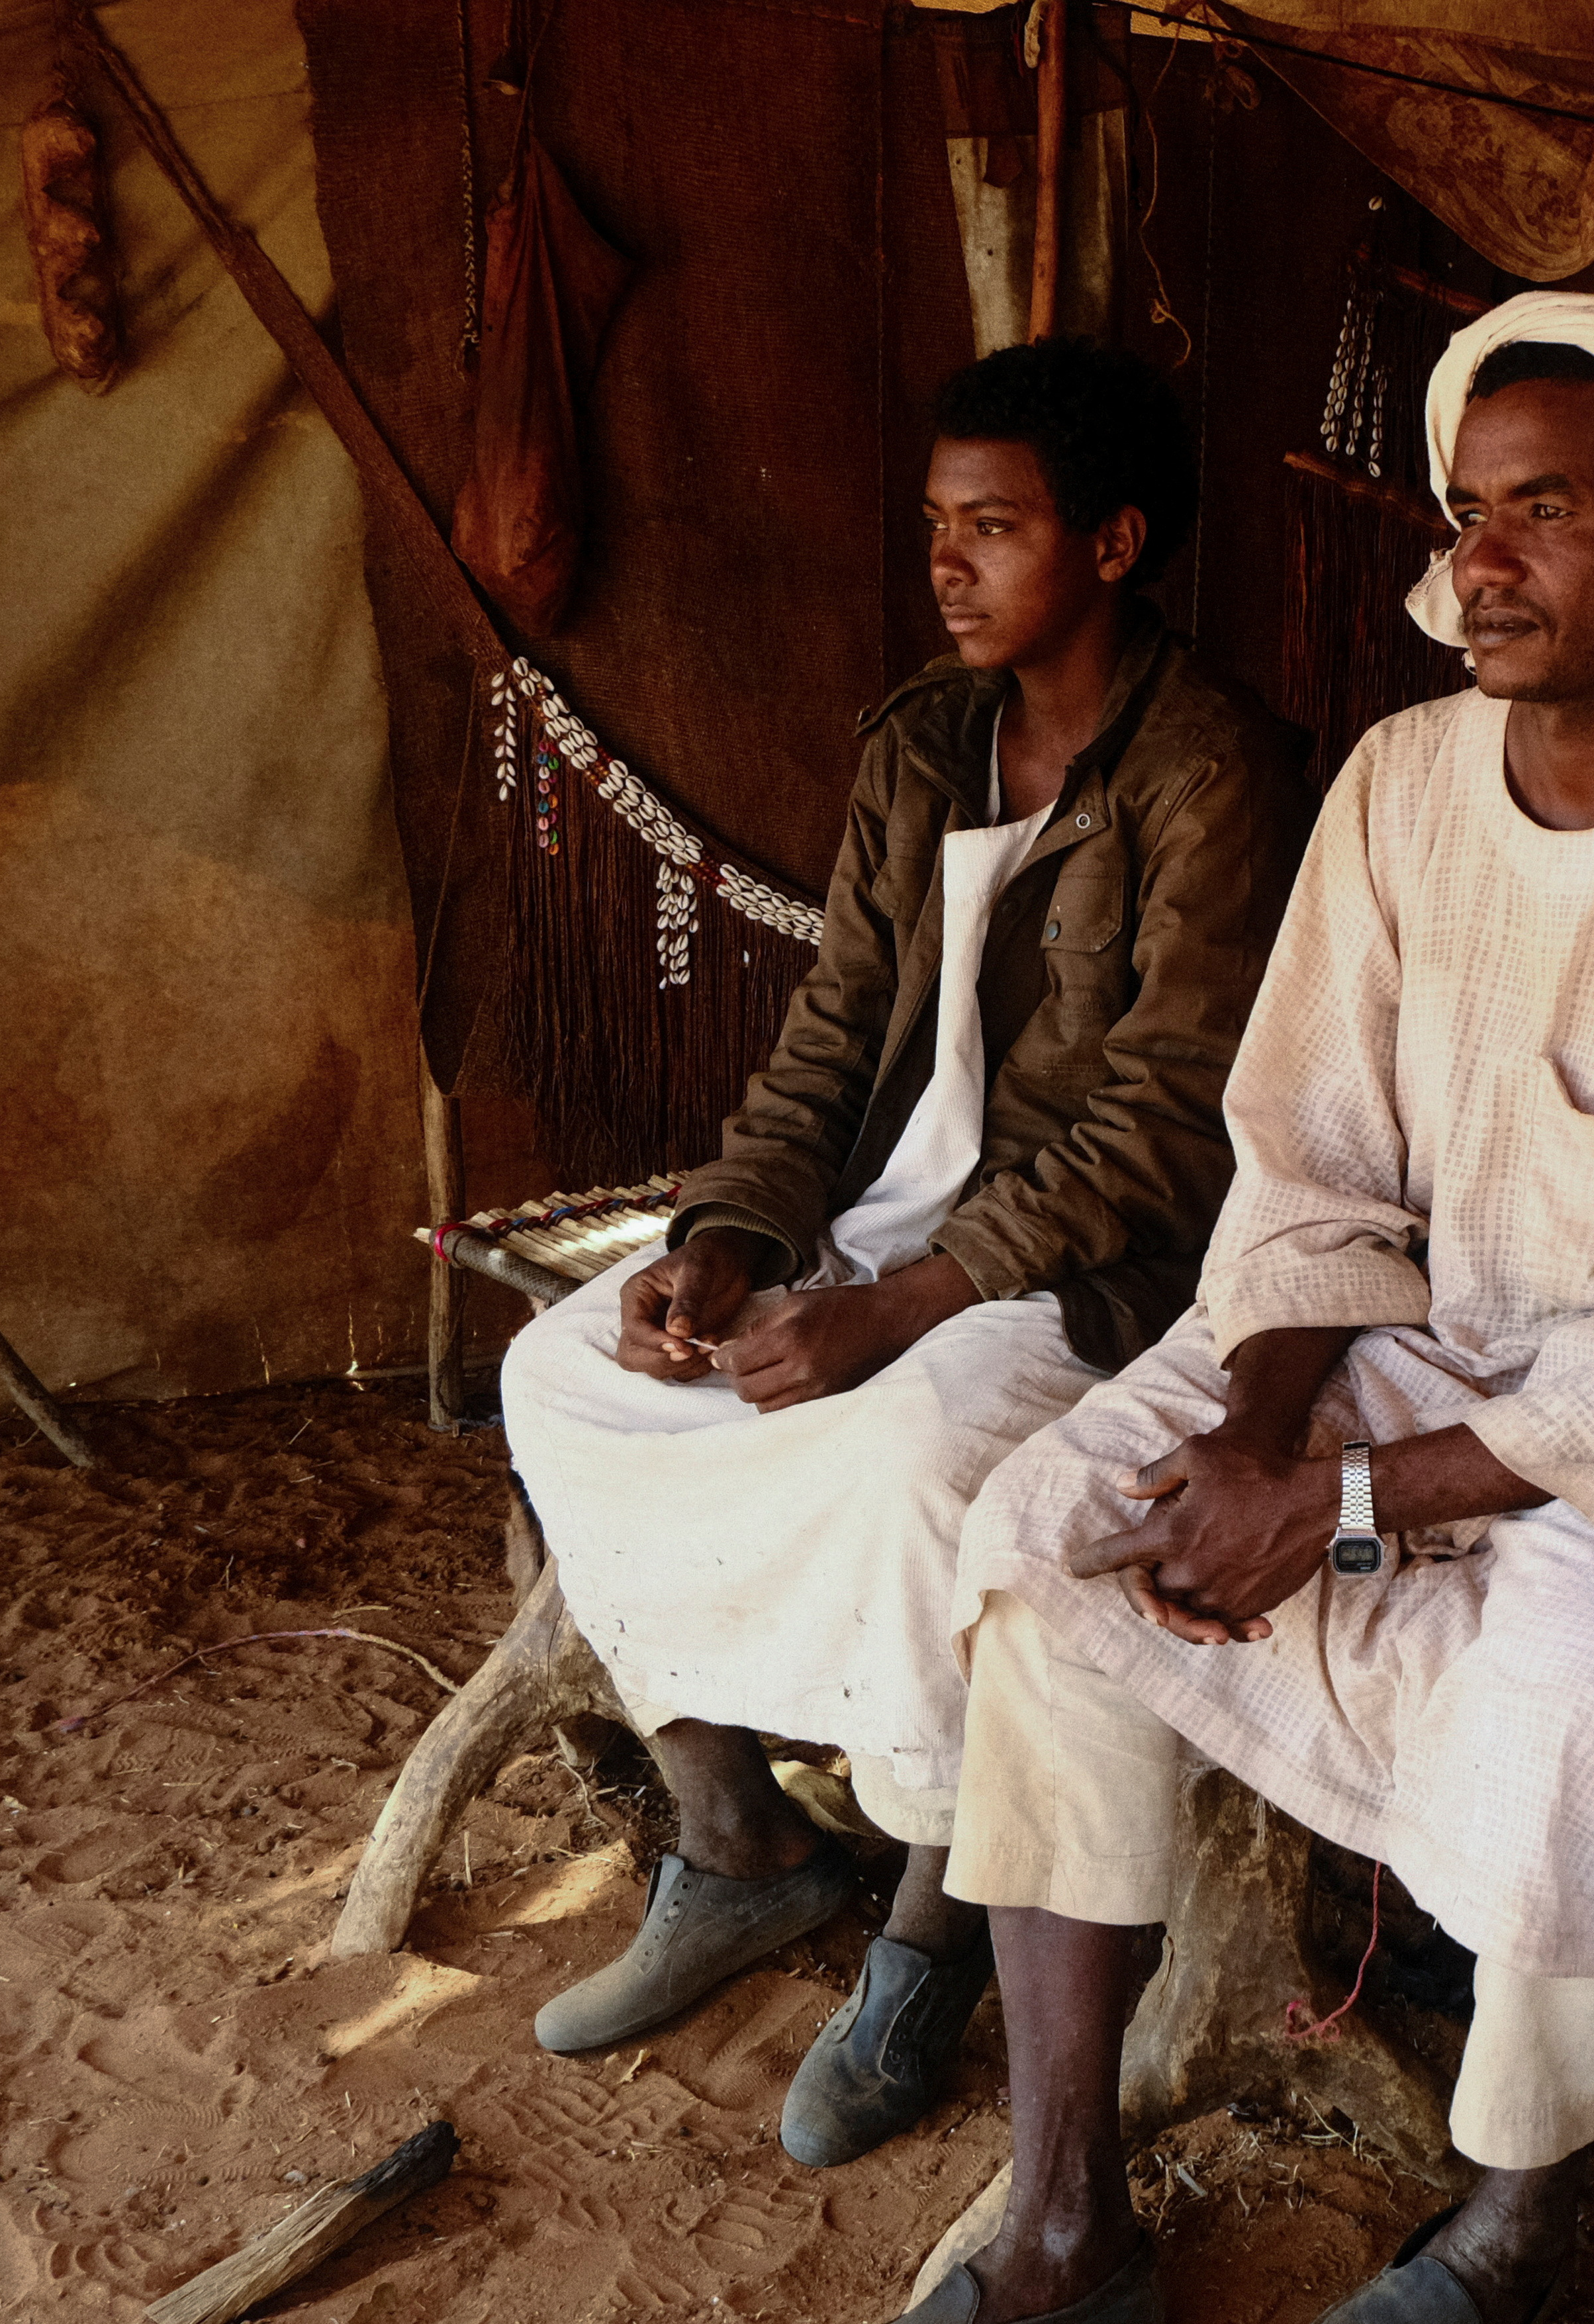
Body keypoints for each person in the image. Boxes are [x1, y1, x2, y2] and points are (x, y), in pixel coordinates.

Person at [754, 297, 1594, 2324]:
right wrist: (1252, 1425)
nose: (1483, 564)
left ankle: (1514, 2219)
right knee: (1051, 1536)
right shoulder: (1407, 787)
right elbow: (1307, 1166)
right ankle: (1062, 2236)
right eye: (1468, 513)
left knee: (1562, 1693)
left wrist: (1343, 1509)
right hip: (1403, 1349)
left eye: (1548, 514)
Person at [496, 341, 1311, 2172]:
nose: (946, 565)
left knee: (919, 1455)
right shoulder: (921, 743)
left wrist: (911, 1302)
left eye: (994, 528)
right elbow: (827, 1035)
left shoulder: (1215, 772)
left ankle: (930, 1931)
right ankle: (738, 1849)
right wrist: (724, 1238)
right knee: (568, 1374)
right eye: (937, 526)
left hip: (1096, 1273)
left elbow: (1173, 1122)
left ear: (1111, 543)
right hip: (886, 1236)